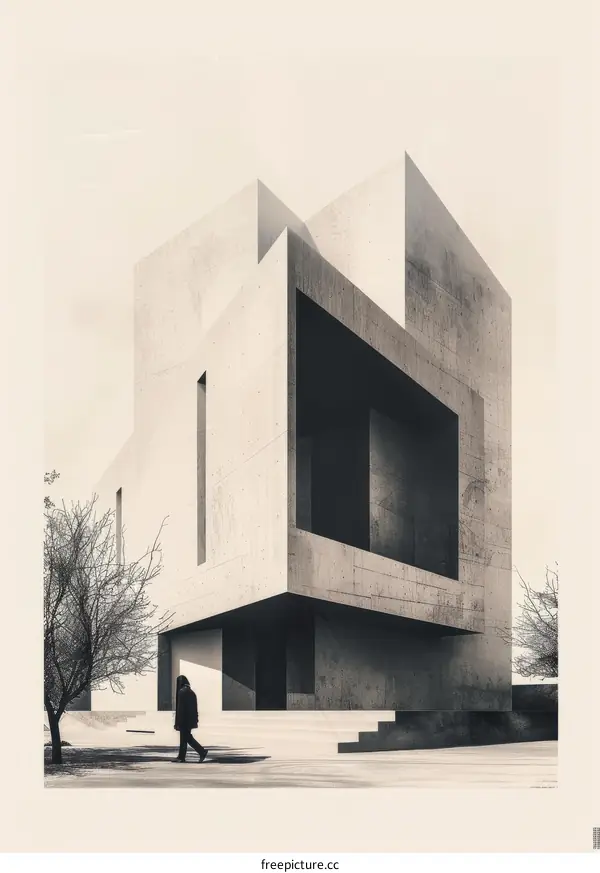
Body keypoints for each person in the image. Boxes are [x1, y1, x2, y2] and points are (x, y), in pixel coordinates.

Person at [171, 674, 208, 763]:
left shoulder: (182, 692)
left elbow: (181, 709)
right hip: (190, 720)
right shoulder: (191, 692)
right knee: (184, 739)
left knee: (186, 738)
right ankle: (181, 756)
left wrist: (177, 722)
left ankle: (201, 751)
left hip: (183, 720)